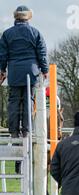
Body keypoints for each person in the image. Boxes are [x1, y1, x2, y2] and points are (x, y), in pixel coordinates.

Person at [0, 5, 48, 138]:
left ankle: (14, 132)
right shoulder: (35, 32)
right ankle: (27, 131)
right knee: (29, 100)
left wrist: (2, 70)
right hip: (31, 73)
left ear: (15, 17)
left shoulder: (7, 34)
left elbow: (2, 55)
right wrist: (45, 70)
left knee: (14, 102)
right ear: (28, 17)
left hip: (14, 72)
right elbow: (42, 54)